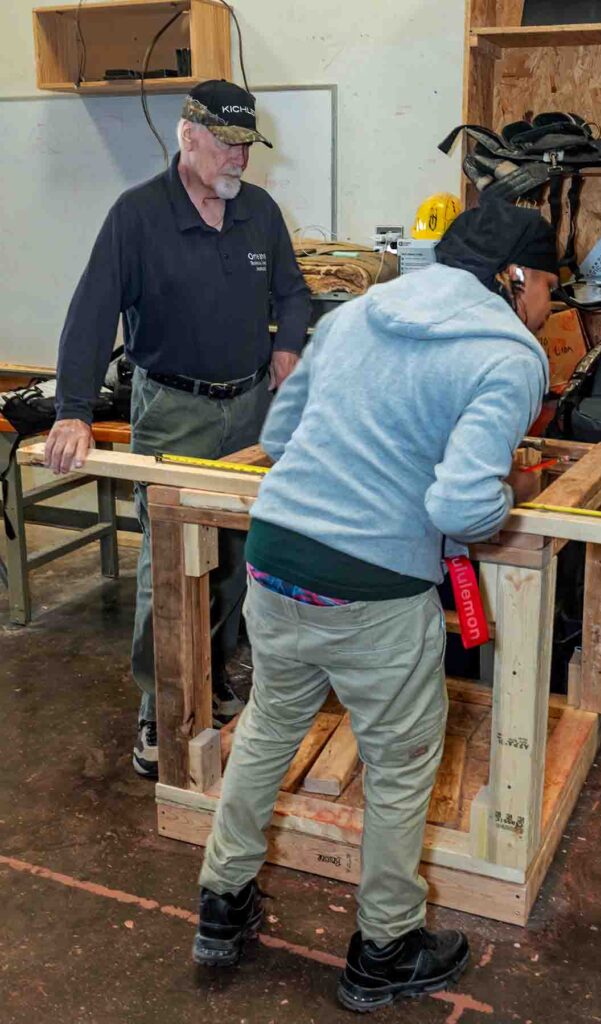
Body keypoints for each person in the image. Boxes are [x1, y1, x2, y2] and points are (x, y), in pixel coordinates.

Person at [191, 198, 558, 1010]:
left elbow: (282, 438)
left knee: (267, 727)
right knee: (398, 769)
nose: (546, 309)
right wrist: (498, 505)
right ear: (517, 278)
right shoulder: (508, 354)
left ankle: (221, 902)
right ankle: (385, 948)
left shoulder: (356, 313)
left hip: (276, 558)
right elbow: (461, 509)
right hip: (371, 589)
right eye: (547, 291)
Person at [43, 80, 311, 779]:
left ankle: (214, 674)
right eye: (225, 143)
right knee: (169, 564)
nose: (238, 160)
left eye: (247, 146)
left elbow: (291, 289)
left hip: (250, 407)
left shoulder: (259, 213)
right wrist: (73, 410)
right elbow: (92, 312)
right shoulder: (136, 216)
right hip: (174, 410)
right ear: (187, 135)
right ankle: (159, 702)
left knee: (236, 554)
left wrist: (289, 344)